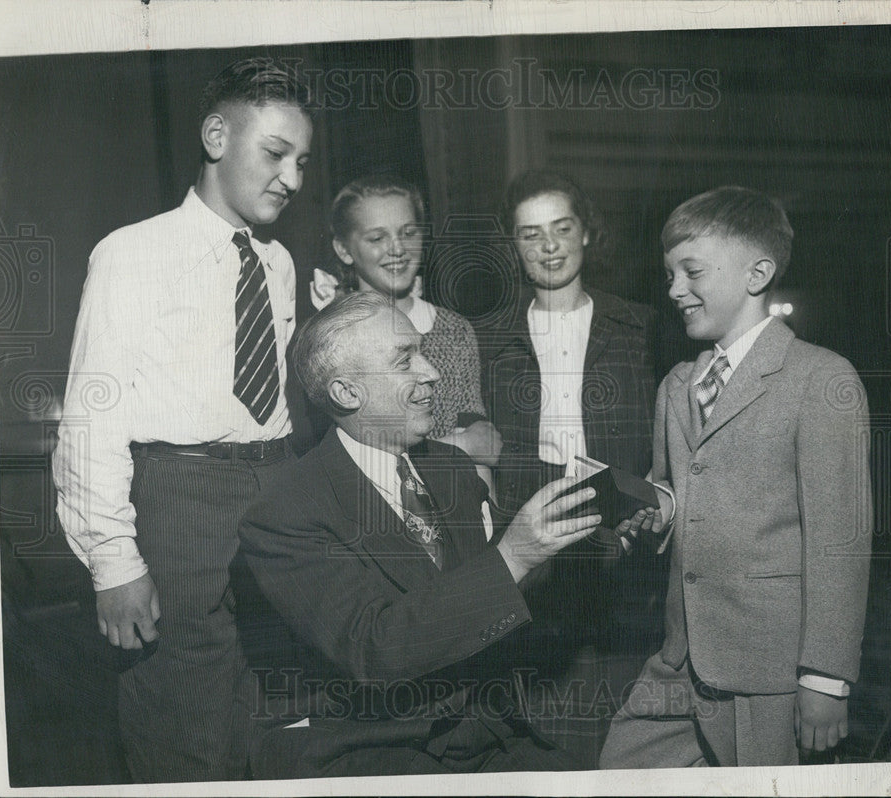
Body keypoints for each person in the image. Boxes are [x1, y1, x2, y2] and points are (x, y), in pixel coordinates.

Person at [237, 292, 654, 777]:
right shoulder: (285, 513)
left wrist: (601, 538)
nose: (431, 372)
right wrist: (514, 554)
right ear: (347, 393)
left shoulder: (450, 467)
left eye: (422, 351)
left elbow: (507, 584)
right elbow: (375, 648)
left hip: (486, 733)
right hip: (370, 750)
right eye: (404, 360)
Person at [52, 57, 314, 782]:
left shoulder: (281, 264)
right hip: (178, 502)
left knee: (273, 723)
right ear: (215, 135)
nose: (292, 178)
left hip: (276, 492)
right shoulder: (132, 254)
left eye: (302, 161)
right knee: (185, 731)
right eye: (274, 154)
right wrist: (114, 561)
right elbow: (91, 417)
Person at [599, 186, 873, 768]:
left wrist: (825, 677)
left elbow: (839, 542)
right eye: (669, 274)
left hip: (771, 671)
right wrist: (656, 515)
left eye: (691, 271)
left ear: (758, 273)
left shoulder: (821, 378)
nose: (674, 289)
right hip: (680, 659)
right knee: (619, 768)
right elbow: (675, 494)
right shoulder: (676, 385)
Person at [480, 170, 662, 762]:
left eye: (562, 229)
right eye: (531, 235)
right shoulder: (493, 337)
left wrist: (647, 502)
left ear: (587, 234)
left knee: (623, 691)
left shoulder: (639, 327)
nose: (549, 246)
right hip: (531, 528)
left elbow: (670, 434)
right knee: (541, 702)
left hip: (619, 528)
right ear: (515, 247)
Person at [299, 175, 500, 479]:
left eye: (408, 232)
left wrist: (485, 523)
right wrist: (459, 444)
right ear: (343, 249)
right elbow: (344, 458)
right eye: (377, 238)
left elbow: (483, 447)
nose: (398, 249)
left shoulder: (454, 330)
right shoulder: (333, 337)